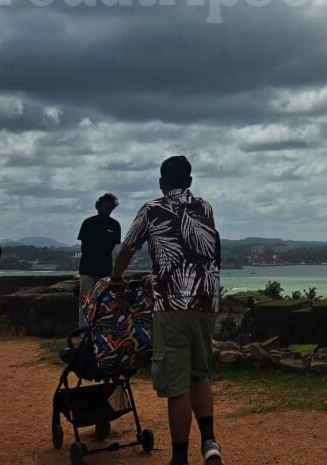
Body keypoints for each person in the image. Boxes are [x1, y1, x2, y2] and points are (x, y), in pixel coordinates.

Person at [111, 156, 222, 465]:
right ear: (190, 181)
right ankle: (210, 442)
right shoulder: (206, 208)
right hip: (205, 299)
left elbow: (128, 248)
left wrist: (116, 279)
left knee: (176, 383)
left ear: (162, 183)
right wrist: (157, 275)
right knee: (200, 374)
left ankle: (179, 458)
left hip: (172, 303)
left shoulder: (152, 210)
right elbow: (196, 251)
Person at [77, 193, 121, 326]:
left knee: (105, 301)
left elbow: (113, 247)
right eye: (104, 208)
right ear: (98, 207)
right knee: (85, 300)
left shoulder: (115, 225)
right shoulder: (88, 223)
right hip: (87, 267)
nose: (106, 211)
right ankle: (83, 329)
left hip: (105, 268)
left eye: (109, 209)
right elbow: (84, 247)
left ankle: (101, 328)